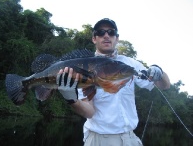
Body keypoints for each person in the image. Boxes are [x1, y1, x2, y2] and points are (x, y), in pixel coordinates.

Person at [57, 18, 170, 146]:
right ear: (94, 38)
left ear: (117, 38)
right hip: (99, 139)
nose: (106, 35)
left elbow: (164, 85)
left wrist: (159, 71)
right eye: (100, 32)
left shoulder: (130, 64)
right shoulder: (84, 66)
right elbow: (89, 112)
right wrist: (71, 99)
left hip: (130, 139)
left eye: (111, 32)